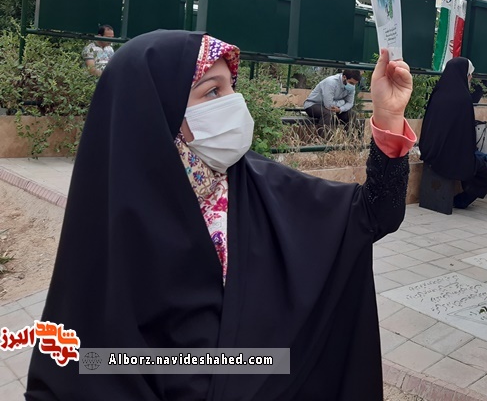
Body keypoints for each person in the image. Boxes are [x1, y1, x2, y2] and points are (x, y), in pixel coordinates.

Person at [26, 31, 415, 401]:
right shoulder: (112, 223)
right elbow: (82, 368)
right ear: (155, 112)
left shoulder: (258, 183)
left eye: (231, 86)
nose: (234, 102)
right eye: (212, 91)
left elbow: (373, 214)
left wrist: (388, 116)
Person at [420, 57, 487, 210]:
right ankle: (461, 200)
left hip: (430, 152)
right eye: (469, 74)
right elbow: (467, 136)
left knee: (477, 158)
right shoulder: (463, 98)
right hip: (451, 158)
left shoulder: (438, 93)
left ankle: (485, 159)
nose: (471, 77)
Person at [303, 69, 361, 134]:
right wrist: (342, 102)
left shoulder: (351, 87)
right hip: (313, 104)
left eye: (355, 84)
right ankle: (324, 139)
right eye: (351, 83)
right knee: (327, 114)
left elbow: (350, 103)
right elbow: (328, 105)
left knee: (351, 114)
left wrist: (340, 109)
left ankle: (351, 139)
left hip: (335, 108)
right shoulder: (331, 82)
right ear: (344, 77)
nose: (353, 86)